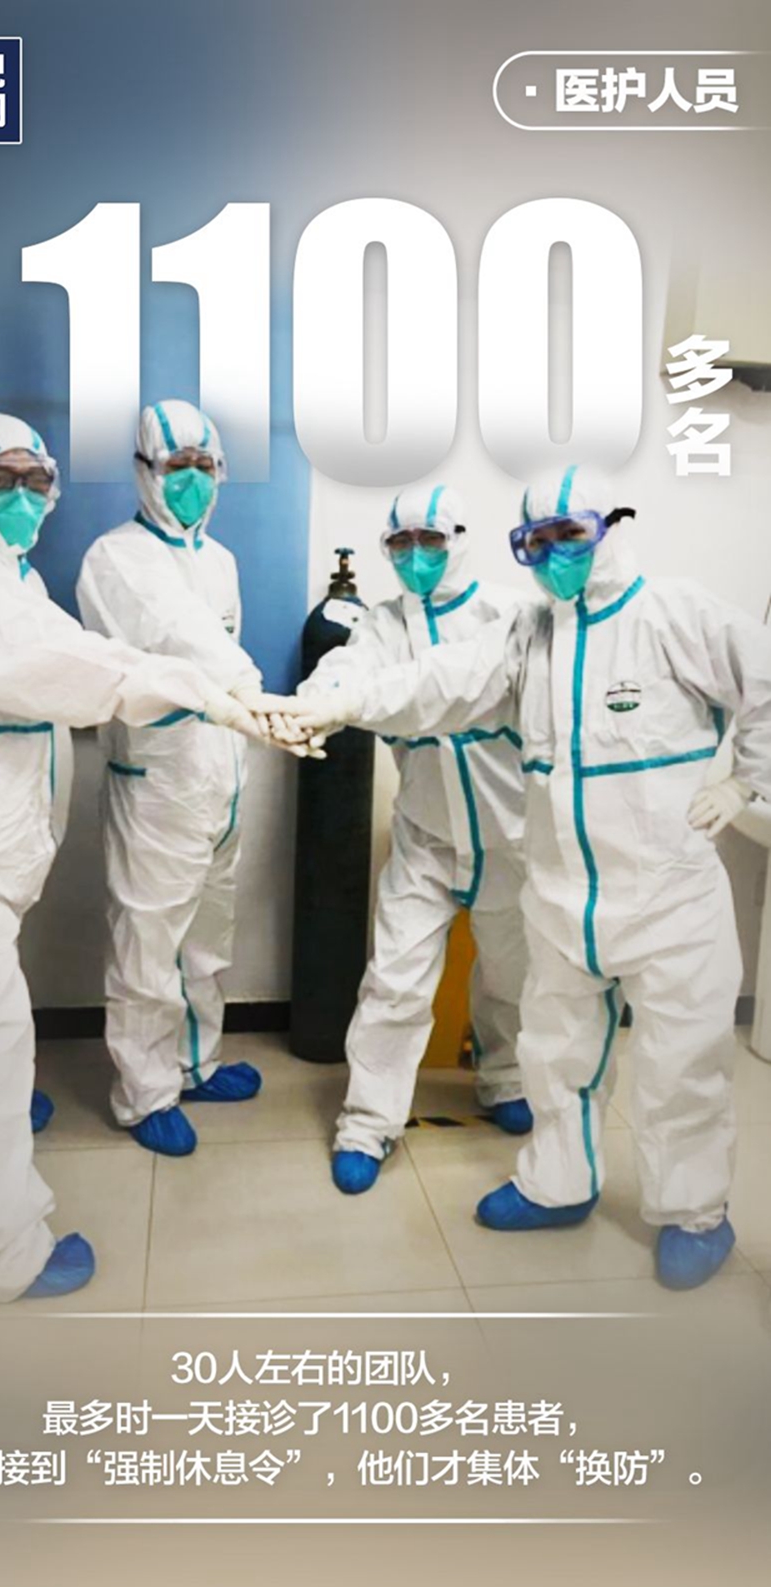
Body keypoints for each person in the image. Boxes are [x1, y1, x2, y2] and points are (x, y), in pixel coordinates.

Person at [293, 466, 771, 1288]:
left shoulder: (674, 615)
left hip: (666, 895)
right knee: (557, 1049)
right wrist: (334, 703)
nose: (553, 555)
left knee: (681, 1062)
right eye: (535, 542)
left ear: (611, 527)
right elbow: (442, 682)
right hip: (560, 891)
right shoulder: (529, 634)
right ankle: (559, 1183)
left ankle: (695, 1212)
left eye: (568, 536)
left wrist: (748, 781)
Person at [0, 411, 277, 1305]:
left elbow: (86, 656)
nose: (22, 498)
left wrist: (218, 698)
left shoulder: (9, 580)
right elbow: (94, 670)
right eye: (0, 480)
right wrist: (221, 694)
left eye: (36, 481)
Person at [297, 484, 531, 1195]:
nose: (416, 555)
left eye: (431, 539)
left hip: (509, 833)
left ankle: (506, 1077)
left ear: (459, 539)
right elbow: (347, 668)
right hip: (425, 837)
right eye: (400, 543)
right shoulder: (382, 624)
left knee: (511, 974)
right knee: (394, 981)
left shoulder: (509, 615)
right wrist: (315, 701)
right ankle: (367, 1124)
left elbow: (447, 690)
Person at [76, 400, 273, 1158]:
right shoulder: (115, 558)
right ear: (143, 470)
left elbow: (218, 645)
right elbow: (179, 636)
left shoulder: (220, 561)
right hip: (156, 779)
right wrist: (252, 690)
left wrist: (244, 714)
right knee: (147, 943)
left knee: (206, 936)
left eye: (203, 465)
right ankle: (145, 1091)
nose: (191, 479)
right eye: (175, 465)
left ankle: (197, 1061)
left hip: (219, 777)